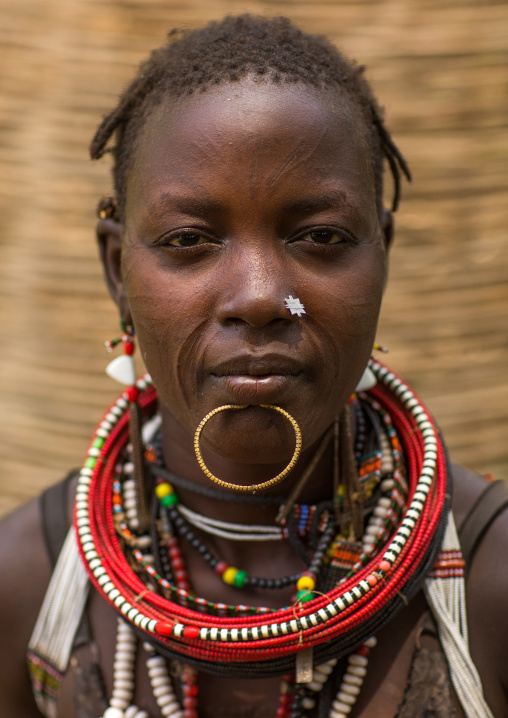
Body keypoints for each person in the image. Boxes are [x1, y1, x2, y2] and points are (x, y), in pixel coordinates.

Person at [0, 14, 507, 718]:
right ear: (118, 270)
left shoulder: (490, 579)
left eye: (321, 236)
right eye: (189, 240)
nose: (262, 294)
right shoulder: (25, 583)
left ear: (381, 256)